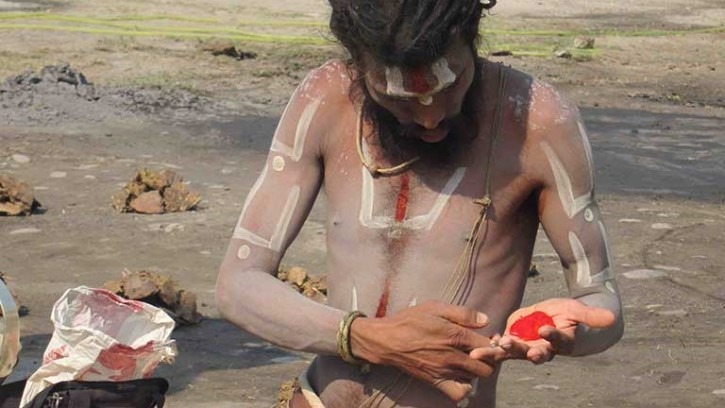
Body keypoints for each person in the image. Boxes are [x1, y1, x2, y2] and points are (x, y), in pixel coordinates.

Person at [215, 1, 624, 407]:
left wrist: (570, 331)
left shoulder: (539, 122)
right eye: (398, 96)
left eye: (452, 83)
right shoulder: (325, 99)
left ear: (474, 33)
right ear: (357, 62)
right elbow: (238, 286)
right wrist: (372, 339)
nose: (431, 116)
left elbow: (601, 302)